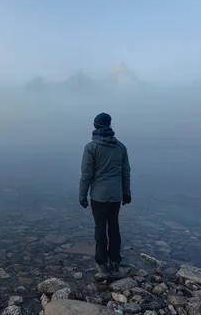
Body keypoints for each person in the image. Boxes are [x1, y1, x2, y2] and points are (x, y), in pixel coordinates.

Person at [79, 112, 131, 278]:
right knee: (114, 226)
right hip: (116, 195)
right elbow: (125, 173)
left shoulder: (90, 148)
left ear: (96, 126)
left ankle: (102, 265)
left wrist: (82, 195)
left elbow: (86, 174)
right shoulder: (121, 147)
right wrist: (126, 193)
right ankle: (115, 263)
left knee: (100, 227)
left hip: (99, 196)